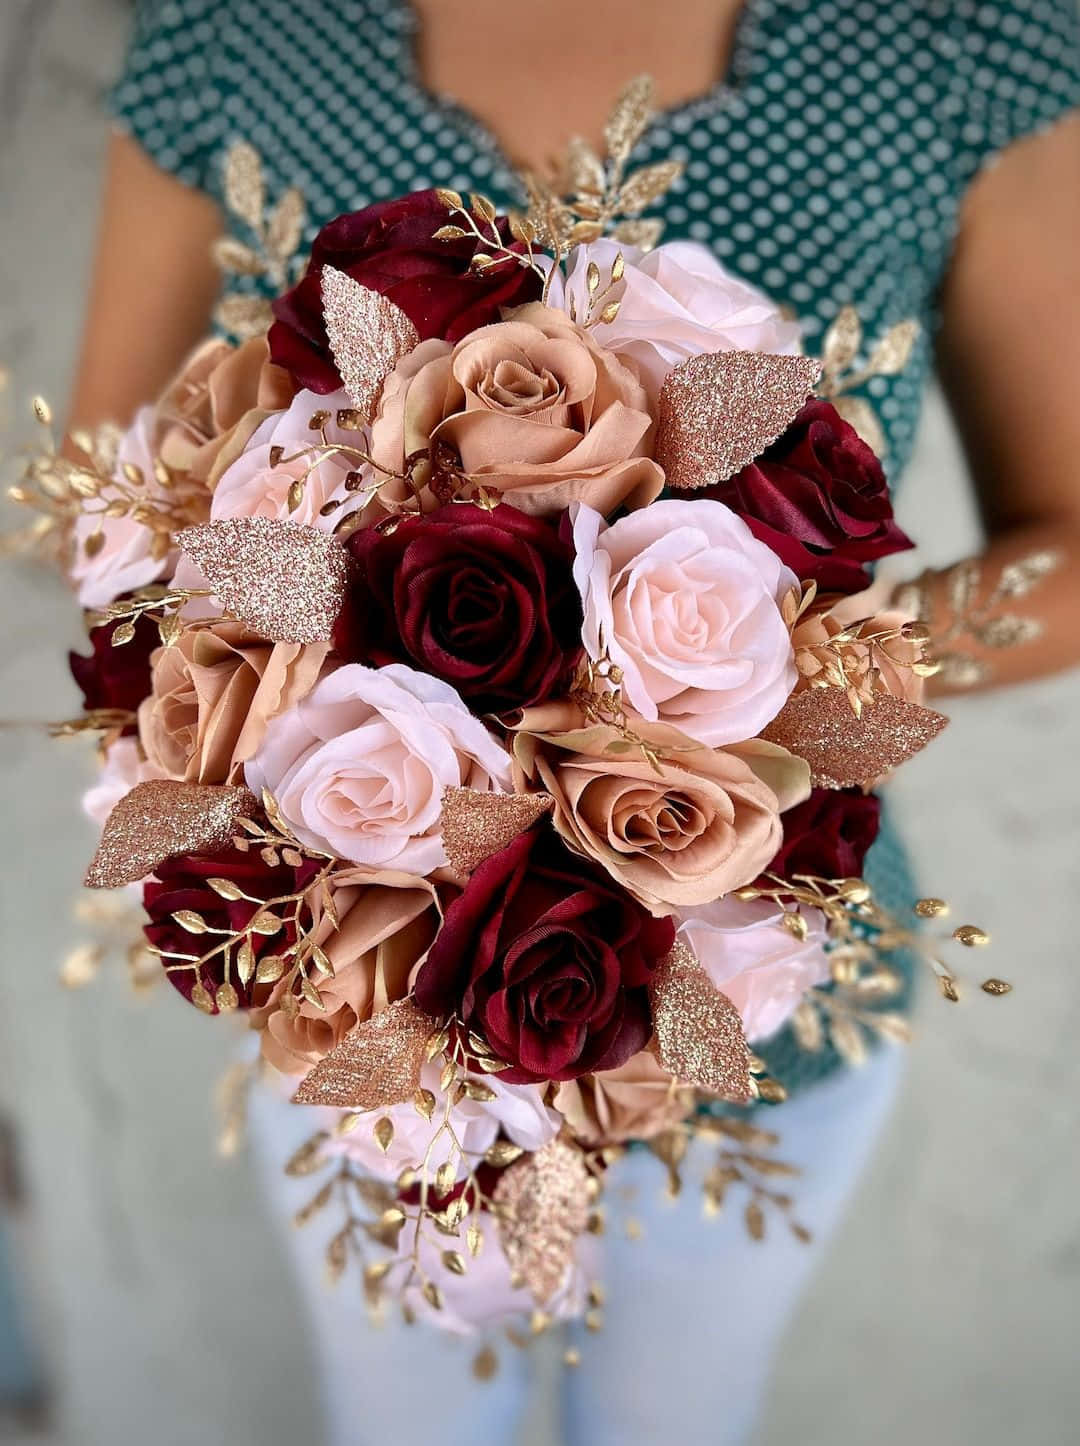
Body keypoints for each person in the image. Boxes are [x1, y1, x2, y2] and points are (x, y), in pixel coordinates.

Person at [68, 2, 1080, 1443]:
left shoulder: (952, 36)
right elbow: (106, 521)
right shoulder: (237, 27)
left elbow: (1073, 538)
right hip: (365, 986)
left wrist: (766, 676)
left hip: (763, 987)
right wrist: (325, 629)